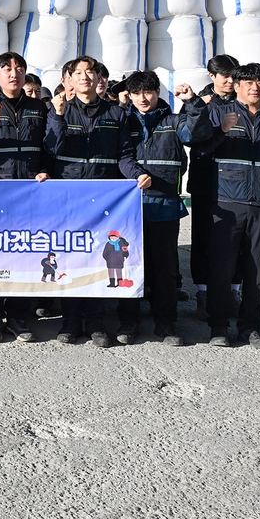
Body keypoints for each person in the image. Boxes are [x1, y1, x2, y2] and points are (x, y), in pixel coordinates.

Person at [198, 62, 260, 349]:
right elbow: (200, 150)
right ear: (238, 86)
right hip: (227, 203)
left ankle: (251, 327)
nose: (255, 88)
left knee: (257, 270)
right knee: (221, 268)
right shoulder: (219, 113)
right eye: (249, 83)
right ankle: (218, 326)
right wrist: (221, 131)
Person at [45, 56, 143, 347]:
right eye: (78, 73)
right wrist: (58, 116)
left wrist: (137, 175)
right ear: (69, 80)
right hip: (69, 198)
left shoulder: (116, 113)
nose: (85, 77)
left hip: (103, 200)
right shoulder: (59, 109)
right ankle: (70, 321)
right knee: (71, 258)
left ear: (99, 78)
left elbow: (124, 155)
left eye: (90, 72)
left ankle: (96, 322)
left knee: (98, 258)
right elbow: (51, 149)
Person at [119, 70, 212, 346]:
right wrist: (136, 173)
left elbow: (196, 133)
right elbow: (122, 156)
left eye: (148, 92)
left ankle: (166, 322)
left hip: (165, 206)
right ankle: (129, 320)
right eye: (137, 93)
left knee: (165, 268)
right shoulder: (124, 121)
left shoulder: (173, 121)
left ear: (158, 92)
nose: (142, 98)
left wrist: (193, 103)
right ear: (130, 96)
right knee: (129, 265)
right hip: (131, 208)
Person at [0, 52, 51, 343]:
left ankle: (18, 314)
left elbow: (47, 146)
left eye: (19, 68)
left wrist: (44, 169)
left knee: (24, 251)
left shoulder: (38, 107)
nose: (13, 73)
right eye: (7, 69)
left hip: (29, 189)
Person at [188, 54, 240, 320]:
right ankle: (203, 293)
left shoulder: (244, 100)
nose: (230, 81)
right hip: (205, 180)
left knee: (236, 238)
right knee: (203, 238)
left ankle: (234, 291)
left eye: (234, 76)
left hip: (238, 182)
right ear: (212, 76)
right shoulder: (199, 103)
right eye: (225, 76)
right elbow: (190, 140)